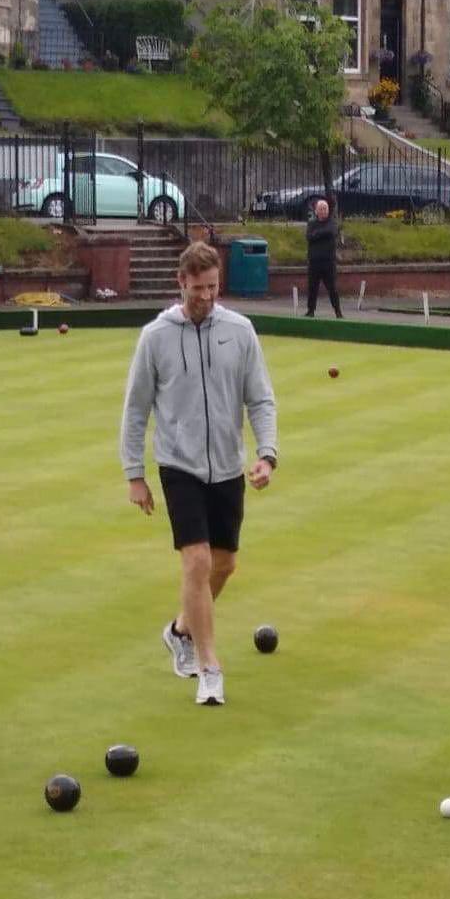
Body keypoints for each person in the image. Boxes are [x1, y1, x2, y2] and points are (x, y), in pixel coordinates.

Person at [120, 241, 278, 707]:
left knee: (225, 563)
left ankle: (179, 629)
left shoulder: (240, 331)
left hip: (228, 465)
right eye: (197, 288)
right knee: (197, 561)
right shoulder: (155, 336)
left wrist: (267, 454)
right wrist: (135, 473)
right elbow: (136, 409)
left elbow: (261, 399)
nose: (206, 296)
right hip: (178, 464)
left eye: (213, 287)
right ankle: (209, 667)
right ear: (180, 283)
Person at [305, 198, 343, 319]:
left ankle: (338, 312)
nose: (323, 211)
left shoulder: (331, 223)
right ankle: (310, 310)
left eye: (325, 209)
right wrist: (319, 234)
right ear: (316, 211)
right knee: (312, 288)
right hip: (314, 261)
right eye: (320, 209)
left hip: (328, 262)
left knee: (332, 288)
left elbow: (330, 232)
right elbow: (309, 237)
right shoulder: (311, 224)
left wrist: (317, 234)